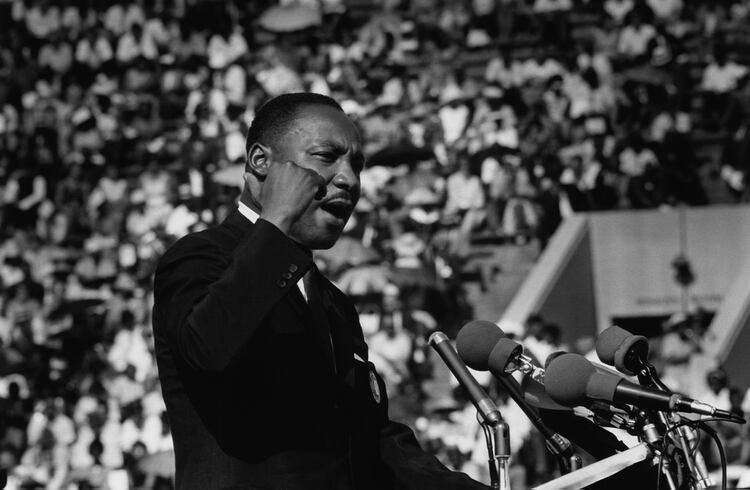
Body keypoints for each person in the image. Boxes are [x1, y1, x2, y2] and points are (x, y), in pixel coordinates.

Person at [152, 93, 487, 489]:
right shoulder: (200, 257)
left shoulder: (334, 304)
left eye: (357, 166)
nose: (349, 179)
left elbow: (372, 441)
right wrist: (275, 222)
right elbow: (208, 348)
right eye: (326, 157)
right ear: (261, 162)